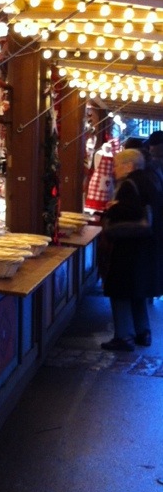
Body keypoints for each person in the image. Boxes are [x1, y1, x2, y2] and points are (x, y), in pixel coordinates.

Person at [99, 148, 159, 351]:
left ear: (128, 165)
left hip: (129, 247)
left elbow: (128, 212)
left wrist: (112, 208)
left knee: (120, 290)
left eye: (116, 165)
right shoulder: (152, 179)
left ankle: (124, 336)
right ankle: (143, 332)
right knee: (138, 291)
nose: (114, 170)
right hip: (148, 248)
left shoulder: (129, 184)